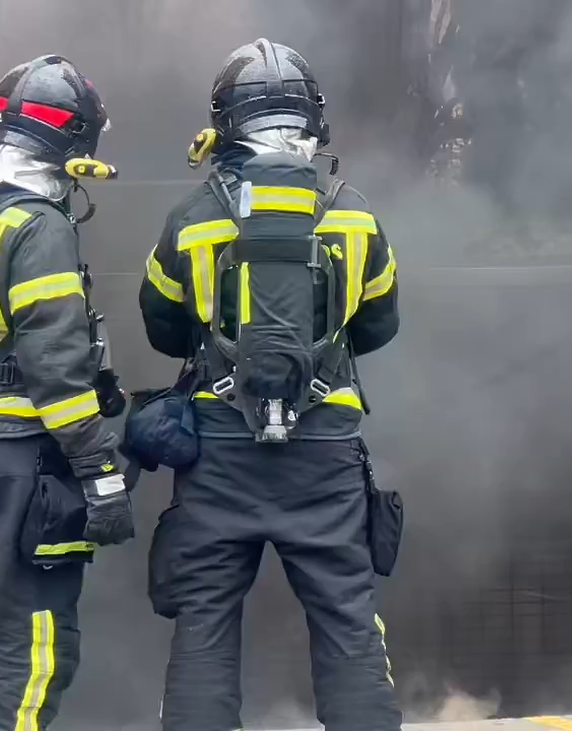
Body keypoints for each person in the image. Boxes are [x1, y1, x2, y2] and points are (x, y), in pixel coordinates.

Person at [139, 38, 402, 731]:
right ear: (313, 118)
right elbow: (380, 325)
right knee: (347, 618)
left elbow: (162, 328)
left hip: (219, 455)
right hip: (325, 453)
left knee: (204, 620)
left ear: (225, 121)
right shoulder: (354, 214)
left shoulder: (193, 218)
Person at [0, 55, 135, 731]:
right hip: (23, 459)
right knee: (33, 648)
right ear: (73, 140)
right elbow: (55, 362)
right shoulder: (37, 223)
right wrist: (99, 469)